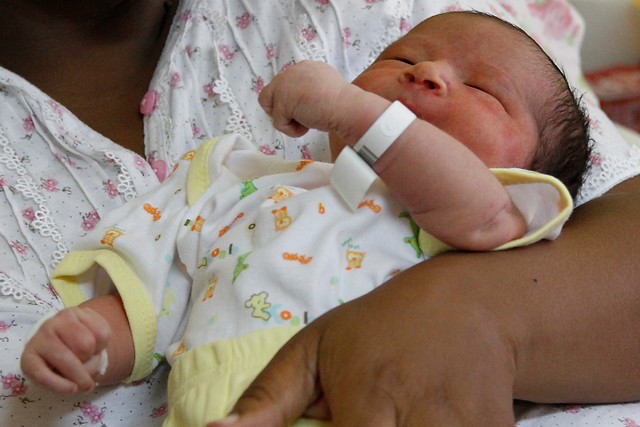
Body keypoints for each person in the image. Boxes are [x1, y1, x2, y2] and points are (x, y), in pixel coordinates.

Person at [2, 1, 640, 426]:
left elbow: (478, 211)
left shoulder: (484, 214)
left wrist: (356, 111)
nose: (430, 75)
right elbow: (165, 282)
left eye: (481, 90)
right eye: (403, 61)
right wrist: (93, 339)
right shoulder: (246, 186)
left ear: (530, 173)